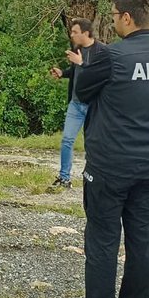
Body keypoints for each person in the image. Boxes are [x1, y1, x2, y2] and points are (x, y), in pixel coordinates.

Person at [61, 0, 149, 298]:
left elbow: (82, 93)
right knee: (142, 240)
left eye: (113, 16)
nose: (112, 23)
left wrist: (82, 67)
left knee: (102, 240)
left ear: (127, 17)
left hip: (111, 165)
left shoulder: (112, 57)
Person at [48, 18, 108, 189]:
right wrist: (63, 73)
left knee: (93, 144)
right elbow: (77, 73)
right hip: (75, 104)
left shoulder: (102, 51)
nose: (72, 35)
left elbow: (99, 75)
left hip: (93, 105)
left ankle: (94, 178)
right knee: (67, 140)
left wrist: (82, 63)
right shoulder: (77, 49)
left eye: (75, 32)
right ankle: (64, 177)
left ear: (86, 33)